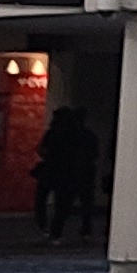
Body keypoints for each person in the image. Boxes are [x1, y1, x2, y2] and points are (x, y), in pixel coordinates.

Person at [31, 101, 99, 241]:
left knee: (42, 199)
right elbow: (93, 153)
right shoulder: (83, 135)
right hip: (72, 172)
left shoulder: (52, 133)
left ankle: (46, 226)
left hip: (51, 170)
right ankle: (60, 231)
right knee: (70, 203)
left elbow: (41, 150)